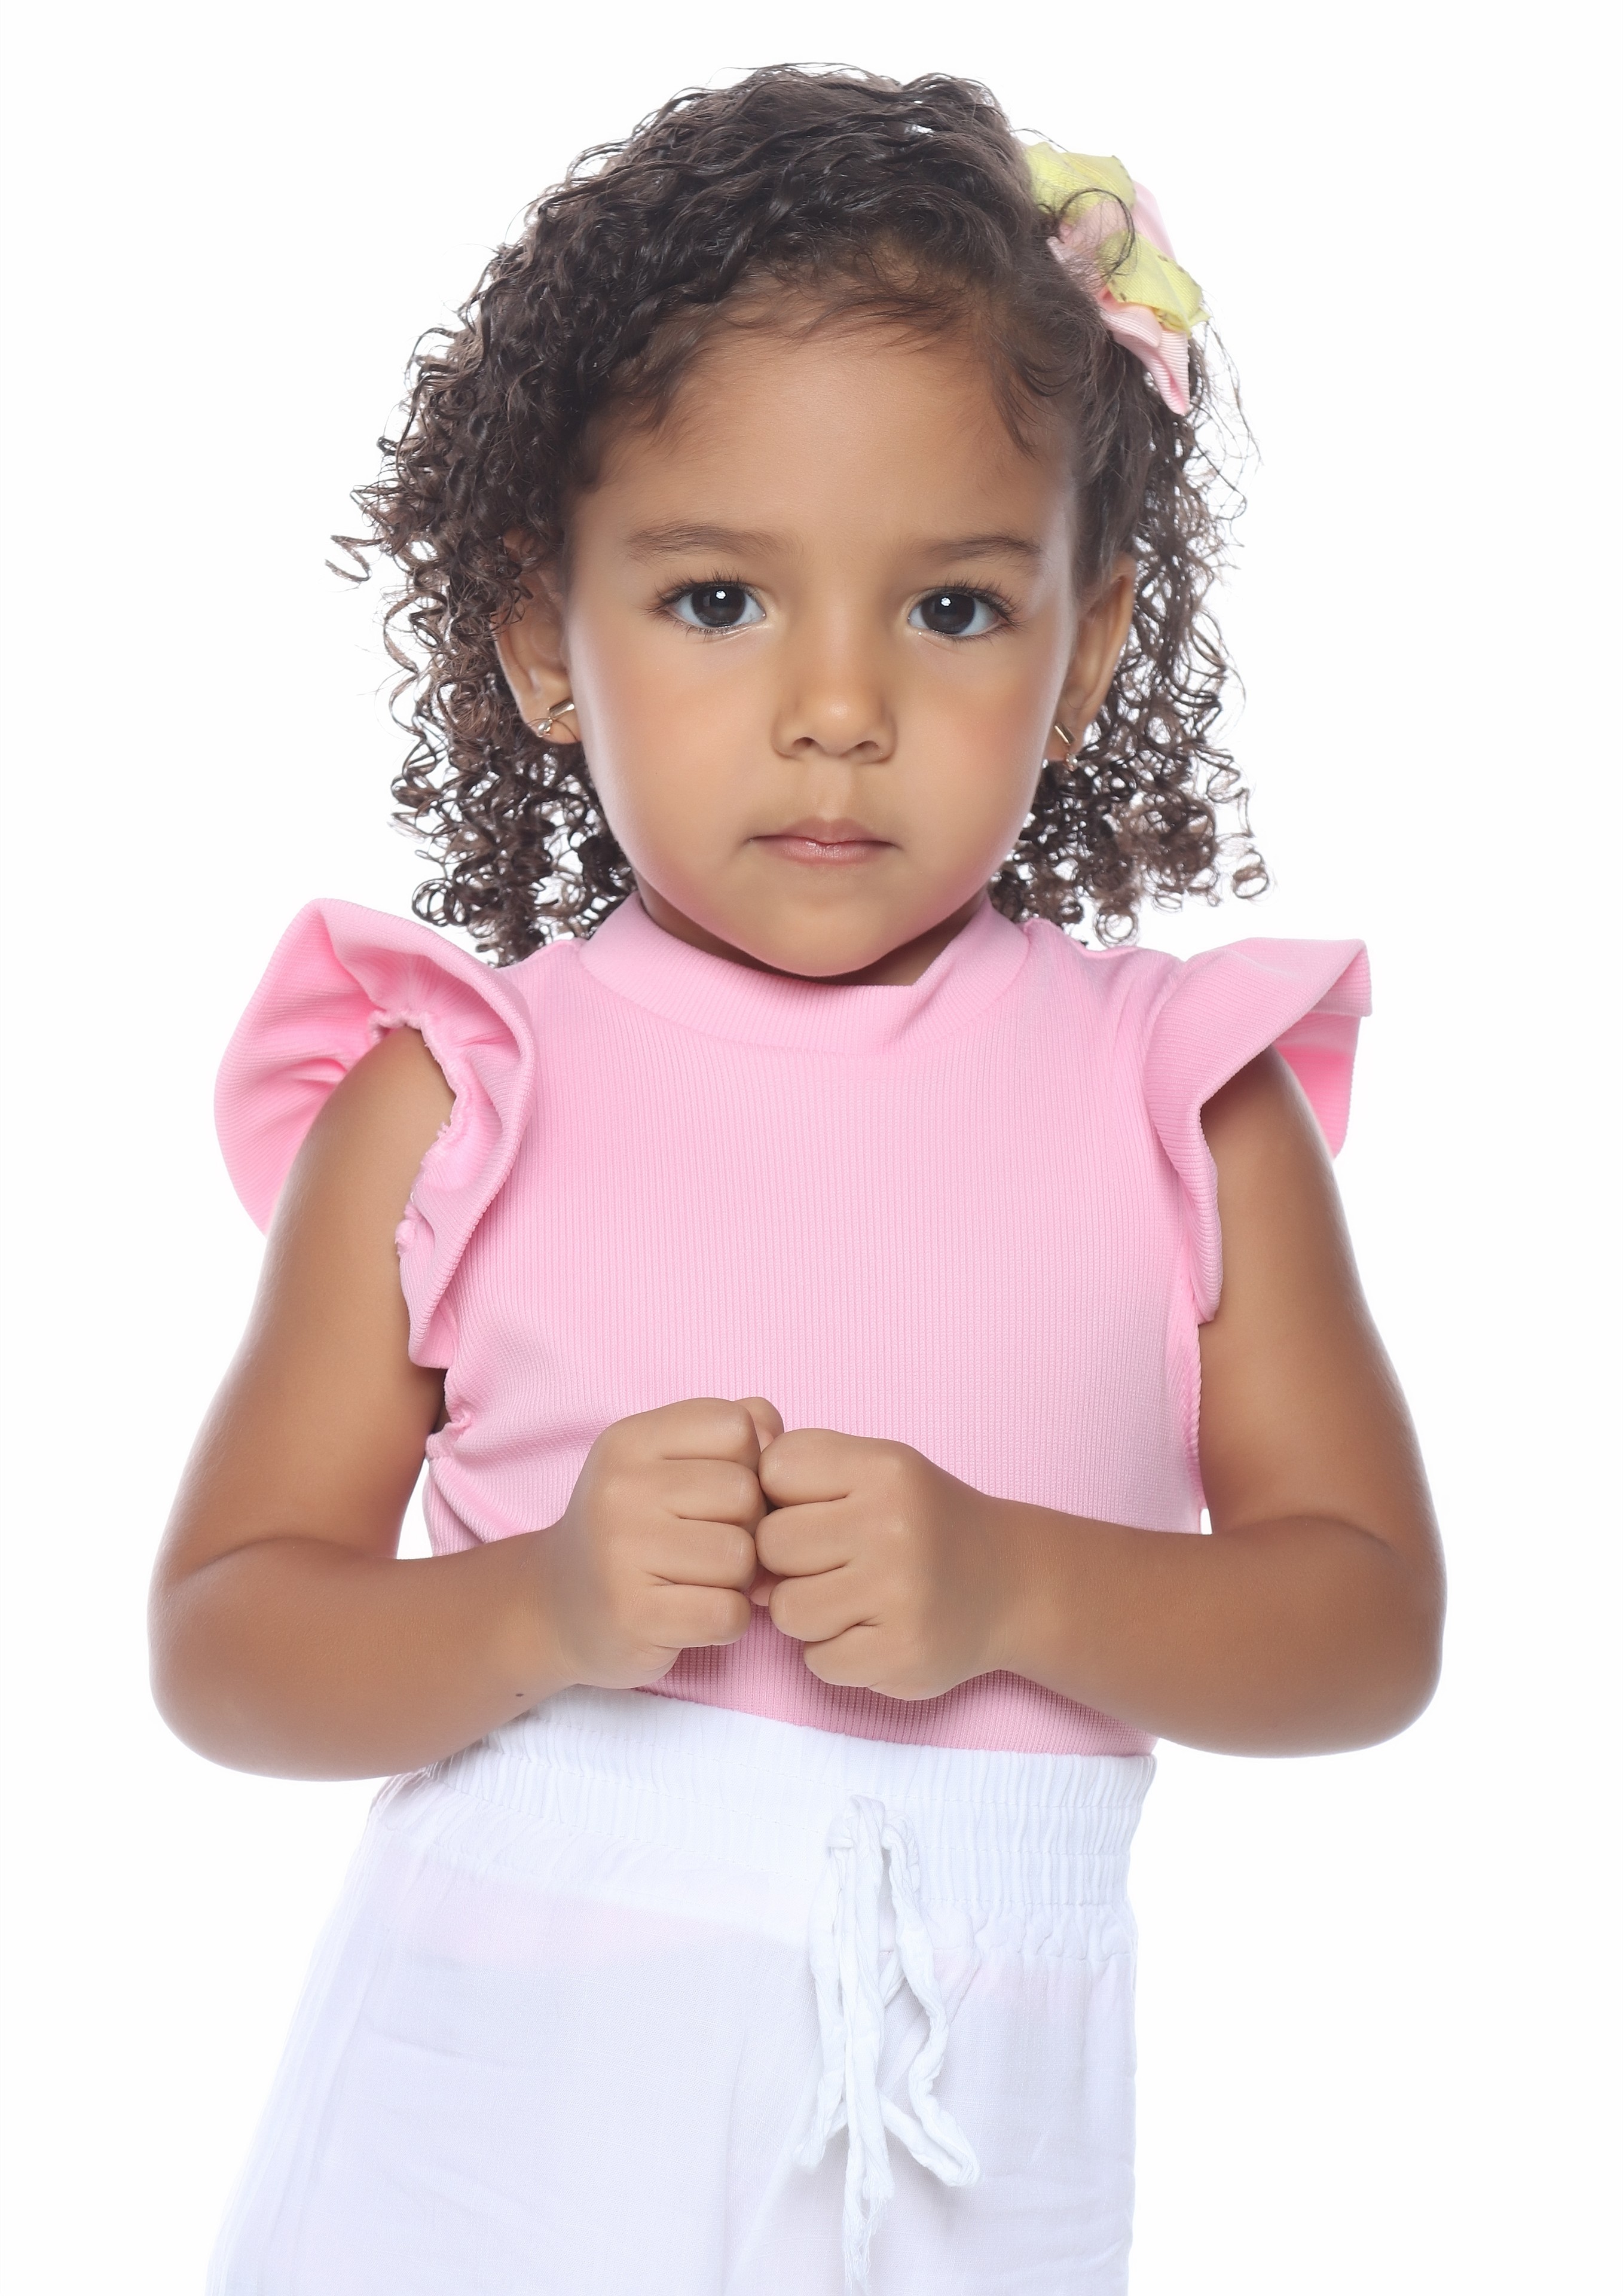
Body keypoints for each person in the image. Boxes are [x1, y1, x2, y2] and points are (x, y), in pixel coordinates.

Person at [151, 65, 1444, 2296]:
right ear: (544, 634)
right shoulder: (456, 1093)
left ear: (1084, 645)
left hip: (967, 2159)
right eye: (717, 597)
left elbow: (1367, 1624)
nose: (835, 706)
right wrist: (539, 1612)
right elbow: (226, 1640)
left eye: (949, 613)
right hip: (491, 2138)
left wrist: (1023, 1585)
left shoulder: (1175, 1102)